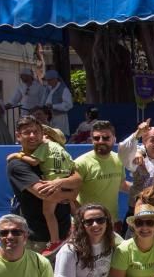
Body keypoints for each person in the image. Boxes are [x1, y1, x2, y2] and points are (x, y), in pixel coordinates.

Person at [7, 116, 80, 254]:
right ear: (18, 136)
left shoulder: (48, 153)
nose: (32, 136)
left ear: (42, 134)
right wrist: (71, 194)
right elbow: (45, 193)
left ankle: (59, 238)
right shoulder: (17, 165)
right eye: (27, 132)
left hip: (67, 236)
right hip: (38, 240)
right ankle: (55, 241)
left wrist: (60, 182)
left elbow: (78, 178)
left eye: (36, 131)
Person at [74, 120, 124, 223]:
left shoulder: (119, 159)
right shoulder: (81, 163)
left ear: (114, 139)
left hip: (112, 222)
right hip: (88, 224)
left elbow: (121, 184)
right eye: (96, 138)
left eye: (106, 138)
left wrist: (142, 190)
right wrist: (82, 218)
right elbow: (70, 197)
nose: (101, 141)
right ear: (91, 140)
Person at [119, 122, 154, 213]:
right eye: (153, 140)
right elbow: (123, 151)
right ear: (144, 142)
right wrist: (137, 134)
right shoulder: (137, 159)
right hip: (136, 211)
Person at [41, 69, 73, 136]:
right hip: (50, 117)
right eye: (47, 80)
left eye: (50, 80)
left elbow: (68, 105)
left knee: (59, 135)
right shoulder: (49, 89)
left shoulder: (64, 89)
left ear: (55, 79)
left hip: (60, 118)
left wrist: (54, 106)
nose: (48, 82)